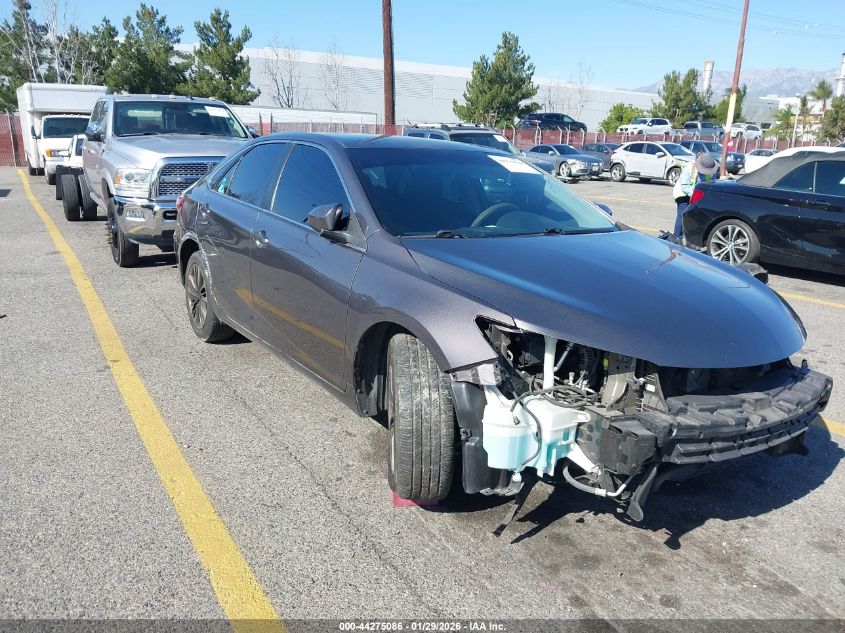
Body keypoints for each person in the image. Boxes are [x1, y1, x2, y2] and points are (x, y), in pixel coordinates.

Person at [672, 151, 718, 238]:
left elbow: (712, 183)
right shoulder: (689, 168)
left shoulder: (711, 167)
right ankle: (677, 236)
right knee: (683, 215)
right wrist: (697, 196)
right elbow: (685, 186)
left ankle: (693, 238)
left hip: (698, 195)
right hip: (683, 194)